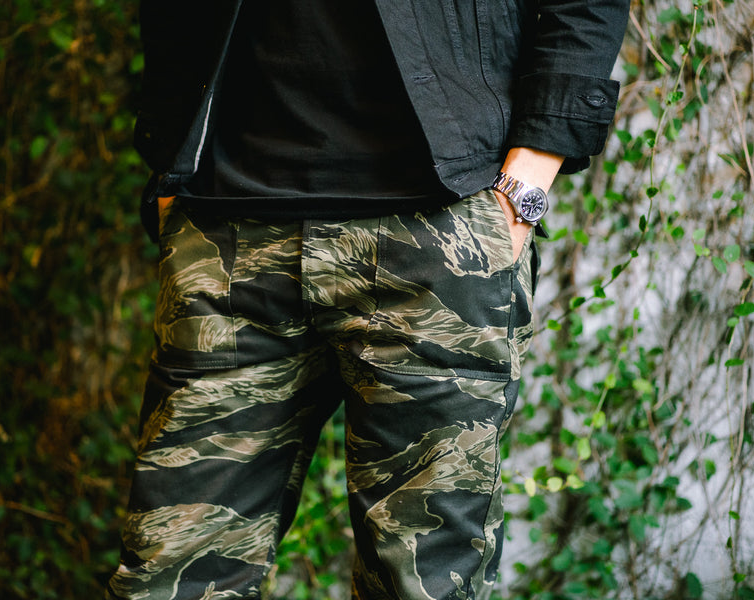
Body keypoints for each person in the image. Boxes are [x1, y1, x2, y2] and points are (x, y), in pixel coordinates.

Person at [107, 1, 629, 599]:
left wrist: (526, 183)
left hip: (438, 236)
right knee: (167, 579)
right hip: (226, 230)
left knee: (425, 583)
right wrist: (170, 166)